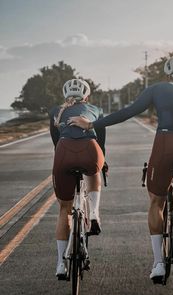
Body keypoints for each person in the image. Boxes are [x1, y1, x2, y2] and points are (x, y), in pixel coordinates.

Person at [68, 56, 173, 283]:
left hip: (166, 143)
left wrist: (92, 124)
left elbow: (128, 112)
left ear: (167, 74)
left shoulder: (157, 88)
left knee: (157, 201)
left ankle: (159, 264)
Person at [49, 78, 106, 278]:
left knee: (64, 209)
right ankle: (94, 214)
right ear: (86, 96)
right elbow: (101, 140)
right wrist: (103, 162)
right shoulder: (96, 109)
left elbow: (56, 142)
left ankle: (60, 264)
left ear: (65, 96)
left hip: (63, 151)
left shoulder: (56, 111)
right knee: (94, 170)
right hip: (90, 150)